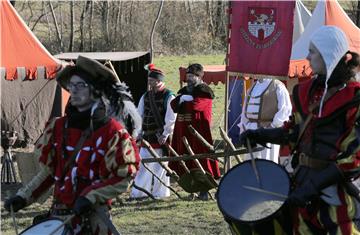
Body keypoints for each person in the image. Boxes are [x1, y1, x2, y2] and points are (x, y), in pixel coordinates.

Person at [240, 25, 360, 234]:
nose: (307, 56)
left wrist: (313, 187)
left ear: (327, 55)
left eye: (313, 52)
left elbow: (353, 158)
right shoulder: (305, 92)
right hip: (301, 180)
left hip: (333, 187)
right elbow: (294, 133)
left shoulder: (354, 98)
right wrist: (260, 134)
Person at [4, 56, 141, 235]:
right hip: (59, 219)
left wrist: (91, 197)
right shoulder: (58, 127)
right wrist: (23, 197)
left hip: (93, 221)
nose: (73, 90)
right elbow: (50, 172)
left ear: (96, 91)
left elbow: (123, 177)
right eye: (71, 85)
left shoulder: (112, 132)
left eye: (80, 85)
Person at [169, 63, 221, 200]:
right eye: (188, 76)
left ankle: (204, 190)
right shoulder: (185, 91)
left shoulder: (205, 92)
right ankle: (192, 189)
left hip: (198, 131)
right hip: (182, 131)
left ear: (199, 77)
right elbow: (173, 105)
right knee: (185, 160)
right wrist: (182, 98)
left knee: (200, 159)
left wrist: (184, 101)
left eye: (192, 76)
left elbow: (196, 106)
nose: (189, 79)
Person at [130, 64, 176, 199]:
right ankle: (139, 194)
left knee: (160, 167)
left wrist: (165, 134)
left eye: (152, 80)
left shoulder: (169, 96)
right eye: (149, 80)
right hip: (146, 137)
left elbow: (171, 117)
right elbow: (139, 115)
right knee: (143, 166)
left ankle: (160, 194)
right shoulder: (146, 96)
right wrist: (138, 132)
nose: (150, 83)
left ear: (160, 80)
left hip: (161, 137)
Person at [238, 77, 292, 163]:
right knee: (250, 162)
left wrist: (272, 127)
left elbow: (284, 110)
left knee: (267, 163)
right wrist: (243, 128)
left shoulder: (277, 86)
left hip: (268, 131)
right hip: (250, 130)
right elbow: (244, 111)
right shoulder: (252, 87)